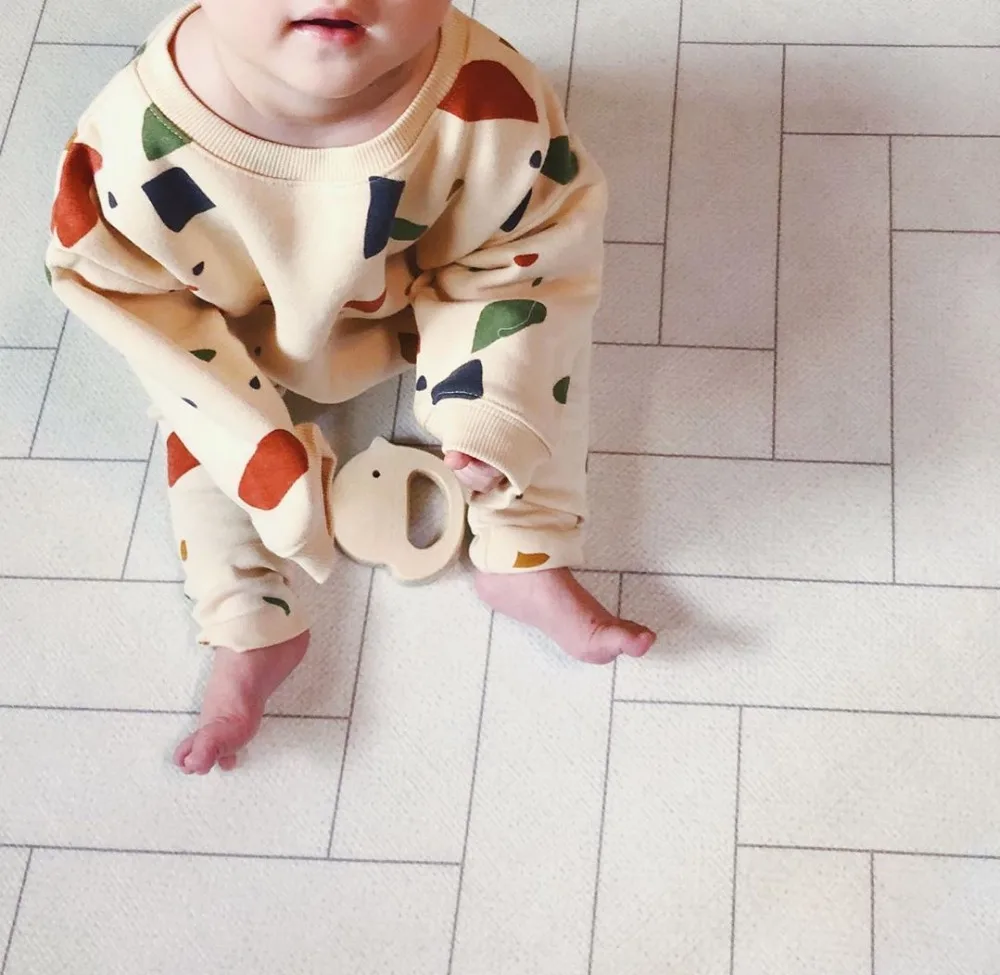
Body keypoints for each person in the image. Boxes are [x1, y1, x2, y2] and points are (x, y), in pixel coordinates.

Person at [45, 0, 656, 775]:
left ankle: (527, 553)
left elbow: (531, 250)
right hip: (226, 326)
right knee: (202, 438)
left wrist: (489, 411)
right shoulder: (133, 145)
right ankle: (250, 625)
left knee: (536, 385)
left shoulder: (487, 103)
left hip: (419, 291)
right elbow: (123, 291)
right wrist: (259, 452)